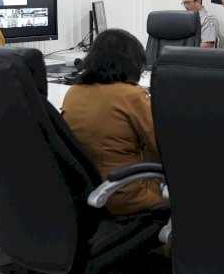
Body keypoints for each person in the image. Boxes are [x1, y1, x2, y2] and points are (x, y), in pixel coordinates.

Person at [60, 29, 164, 216]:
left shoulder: (73, 91)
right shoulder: (131, 95)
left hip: (82, 193)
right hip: (122, 194)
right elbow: (163, 149)